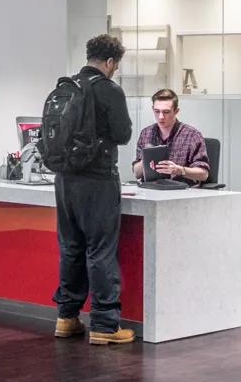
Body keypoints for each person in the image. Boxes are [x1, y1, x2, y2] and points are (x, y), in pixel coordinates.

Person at [51, 33, 136, 346]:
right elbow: (124, 134)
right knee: (100, 250)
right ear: (111, 62)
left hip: (64, 180)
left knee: (71, 247)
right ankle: (104, 324)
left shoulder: (66, 86)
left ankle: (67, 317)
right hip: (97, 181)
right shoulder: (109, 89)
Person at [132, 89, 209, 185]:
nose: (161, 117)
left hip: (181, 192)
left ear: (176, 111)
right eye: (157, 111)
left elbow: (204, 174)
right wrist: (146, 158)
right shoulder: (146, 133)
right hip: (151, 190)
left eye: (166, 112)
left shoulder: (191, 135)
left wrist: (179, 170)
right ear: (152, 109)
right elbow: (137, 174)